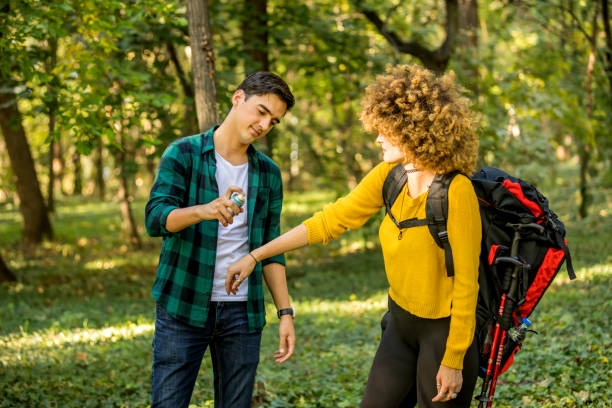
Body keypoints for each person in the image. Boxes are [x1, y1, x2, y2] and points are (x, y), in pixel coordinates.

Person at [226, 64, 481, 407]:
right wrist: (255, 255)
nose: (378, 137)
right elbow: (328, 222)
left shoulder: (457, 191)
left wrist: (453, 359)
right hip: (400, 326)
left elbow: (467, 284)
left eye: (386, 129)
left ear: (414, 130)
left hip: (444, 334)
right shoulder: (388, 177)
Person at [145, 71, 297, 408]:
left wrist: (285, 312)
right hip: (182, 304)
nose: (264, 125)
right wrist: (203, 211)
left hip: (243, 313)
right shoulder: (183, 153)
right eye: (261, 111)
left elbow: (271, 247)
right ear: (238, 97)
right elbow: (155, 219)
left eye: (273, 121)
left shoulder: (268, 173)